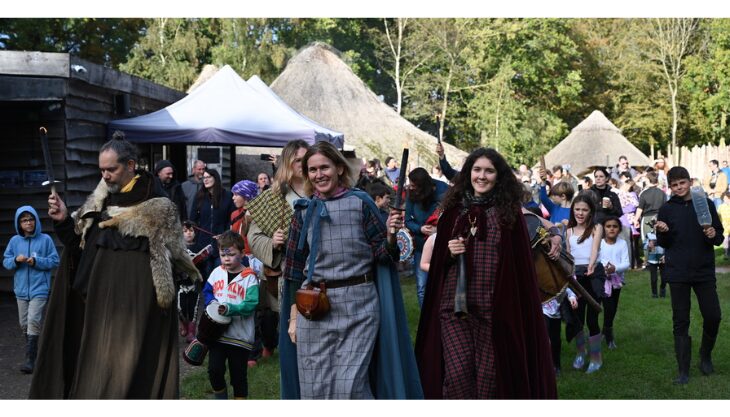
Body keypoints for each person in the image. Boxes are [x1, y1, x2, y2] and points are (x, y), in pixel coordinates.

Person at [31, 133, 199, 398]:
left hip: (136, 312)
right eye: (102, 170)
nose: (105, 176)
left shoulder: (158, 207)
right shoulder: (101, 201)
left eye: (111, 169)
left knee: (129, 375)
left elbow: (172, 258)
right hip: (98, 310)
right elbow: (79, 249)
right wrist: (64, 219)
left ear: (131, 165)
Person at [281, 141, 422, 399]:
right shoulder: (304, 211)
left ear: (338, 168)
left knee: (350, 388)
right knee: (315, 390)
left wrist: (391, 235)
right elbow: (293, 270)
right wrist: (293, 318)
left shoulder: (360, 203)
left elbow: (384, 255)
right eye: (312, 170)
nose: (319, 174)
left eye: (324, 167)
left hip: (358, 306)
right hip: (314, 308)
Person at [415, 147, 556, 399]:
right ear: (468, 173)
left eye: (489, 171)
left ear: (498, 176)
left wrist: (555, 234)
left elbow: (519, 266)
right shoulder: (453, 213)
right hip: (454, 309)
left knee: (488, 381)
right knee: (457, 377)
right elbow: (437, 267)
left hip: (493, 311)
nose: (482, 176)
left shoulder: (508, 215)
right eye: (476, 170)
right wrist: (448, 252)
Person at [246, 139, 310, 398]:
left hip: (325, 272)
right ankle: (296, 392)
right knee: (293, 337)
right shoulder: (273, 198)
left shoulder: (320, 188)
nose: (303, 166)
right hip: (290, 274)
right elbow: (253, 236)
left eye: (306, 159)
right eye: (297, 160)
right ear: (286, 163)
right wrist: (272, 242)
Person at [656, 166, 723, 384]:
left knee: (713, 315)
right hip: (677, 271)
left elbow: (719, 237)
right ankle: (683, 370)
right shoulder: (666, 209)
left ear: (689, 182)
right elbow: (664, 243)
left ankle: (705, 355)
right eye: (674, 185)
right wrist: (662, 232)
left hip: (703, 269)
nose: (678, 188)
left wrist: (713, 234)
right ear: (670, 187)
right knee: (680, 320)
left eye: (682, 183)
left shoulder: (705, 203)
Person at [202, 230, 259, 399]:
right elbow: (207, 291)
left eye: (231, 254)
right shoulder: (216, 272)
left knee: (238, 377)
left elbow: (251, 304)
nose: (226, 258)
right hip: (217, 335)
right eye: (222, 254)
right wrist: (212, 303)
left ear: (242, 254)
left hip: (239, 337)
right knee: (214, 370)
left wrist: (229, 309)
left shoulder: (249, 278)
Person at [3, 206, 59, 374]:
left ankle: (30, 360)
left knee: (33, 321)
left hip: (39, 289)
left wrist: (36, 261)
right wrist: (15, 260)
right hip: (21, 290)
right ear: (19, 224)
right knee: (24, 324)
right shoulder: (14, 242)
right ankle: (35, 355)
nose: (28, 223)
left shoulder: (45, 239)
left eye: (31, 219)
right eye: (24, 220)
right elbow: (6, 262)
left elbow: (55, 261)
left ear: (36, 220)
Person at [566, 192, 606, 374]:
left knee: (592, 318)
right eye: (577, 209)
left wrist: (591, 265)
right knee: (577, 318)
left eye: (584, 210)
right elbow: (567, 257)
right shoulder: (568, 231)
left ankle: (596, 357)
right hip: (575, 276)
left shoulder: (597, 228)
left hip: (593, 274)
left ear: (591, 212)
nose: (580, 213)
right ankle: (580, 353)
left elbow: (595, 249)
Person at [405, 167, 448, 307]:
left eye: (414, 185)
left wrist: (438, 230)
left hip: (441, 245)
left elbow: (453, 216)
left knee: (443, 284)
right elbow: (408, 220)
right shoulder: (411, 194)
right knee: (422, 286)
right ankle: (426, 322)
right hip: (421, 247)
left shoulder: (442, 189)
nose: (410, 188)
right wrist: (420, 228)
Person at [190, 168, 235, 277]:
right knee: (205, 275)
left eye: (208, 177)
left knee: (220, 274)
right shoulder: (200, 197)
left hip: (222, 243)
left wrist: (225, 234)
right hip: (203, 244)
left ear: (216, 178)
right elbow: (192, 219)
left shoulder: (227, 196)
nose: (205, 180)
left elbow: (232, 219)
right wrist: (195, 236)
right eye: (204, 178)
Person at [600, 216, 630, 350]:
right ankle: (603, 333)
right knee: (600, 307)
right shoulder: (599, 243)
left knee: (611, 308)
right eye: (608, 226)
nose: (611, 229)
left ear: (619, 229)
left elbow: (626, 263)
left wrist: (615, 268)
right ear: (603, 228)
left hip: (616, 282)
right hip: (600, 280)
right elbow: (595, 258)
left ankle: (608, 333)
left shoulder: (622, 243)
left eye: (615, 226)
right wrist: (603, 269)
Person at [644, 229, 666, 298]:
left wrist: (666, 256)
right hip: (652, 259)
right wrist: (648, 245)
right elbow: (644, 245)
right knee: (654, 278)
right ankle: (654, 294)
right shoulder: (649, 235)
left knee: (664, 278)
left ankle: (662, 290)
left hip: (662, 258)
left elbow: (669, 245)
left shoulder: (665, 233)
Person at [719, 191, 730, 259]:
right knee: (725, 240)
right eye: (724, 199)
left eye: (727, 198)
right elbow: (718, 215)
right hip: (724, 226)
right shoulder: (721, 207)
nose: (725, 200)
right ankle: (726, 252)